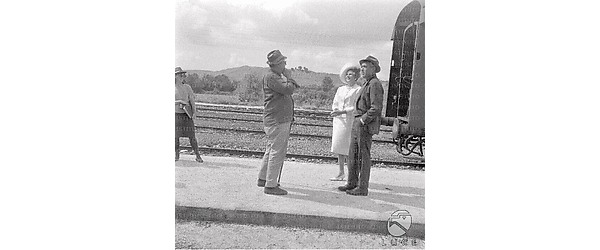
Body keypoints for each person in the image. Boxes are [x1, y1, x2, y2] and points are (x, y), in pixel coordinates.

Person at [338, 55, 384, 196]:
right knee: (353, 154)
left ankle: (362, 188)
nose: (362, 69)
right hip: (357, 123)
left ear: (373, 69)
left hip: (364, 124)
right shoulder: (366, 83)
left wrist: (363, 120)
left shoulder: (374, 84)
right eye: (362, 66)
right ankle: (352, 183)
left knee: (363, 157)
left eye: (365, 66)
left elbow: (376, 108)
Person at [257, 50, 300, 195]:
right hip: (278, 119)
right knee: (277, 151)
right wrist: (290, 78)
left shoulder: (273, 76)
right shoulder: (273, 77)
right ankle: (271, 185)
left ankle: (263, 178)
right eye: (283, 62)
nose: (285, 64)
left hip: (275, 119)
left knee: (271, 149)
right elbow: (288, 89)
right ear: (277, 64)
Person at [329, 63, 362, 181]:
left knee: (349, 147)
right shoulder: (340, 89)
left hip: (349, 120)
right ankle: (341, 172)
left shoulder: (358, 90)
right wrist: (335, 110)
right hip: (339, 121)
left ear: (356, 77)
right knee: (339, 147)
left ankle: (351, 175)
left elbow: (356, 107)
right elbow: (336, 102)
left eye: (351, 75)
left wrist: (342, 111)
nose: (348, 77)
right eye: (347, 74)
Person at [175, 67, 204, 163]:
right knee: (176, 136)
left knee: (192, 136)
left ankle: (197, 155)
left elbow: (192, 100)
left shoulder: (187, 87)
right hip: (176, 115)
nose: (183, 77)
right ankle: (176, 155)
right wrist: (179, 101)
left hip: (186, 115)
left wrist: (194, 112)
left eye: (183, 75)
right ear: (175, 76)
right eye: (180, 75)